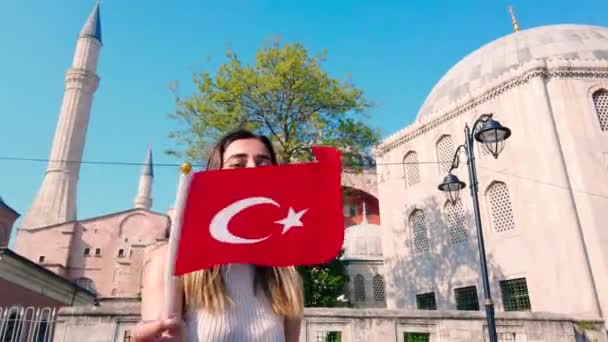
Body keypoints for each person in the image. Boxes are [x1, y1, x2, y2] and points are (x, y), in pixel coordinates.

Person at [134, 129, 304, 342]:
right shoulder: (171, 261)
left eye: (263, 163)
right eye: (237, 164)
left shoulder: (285, 274)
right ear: (216, 176)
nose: (252, 169)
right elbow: (160, 333)